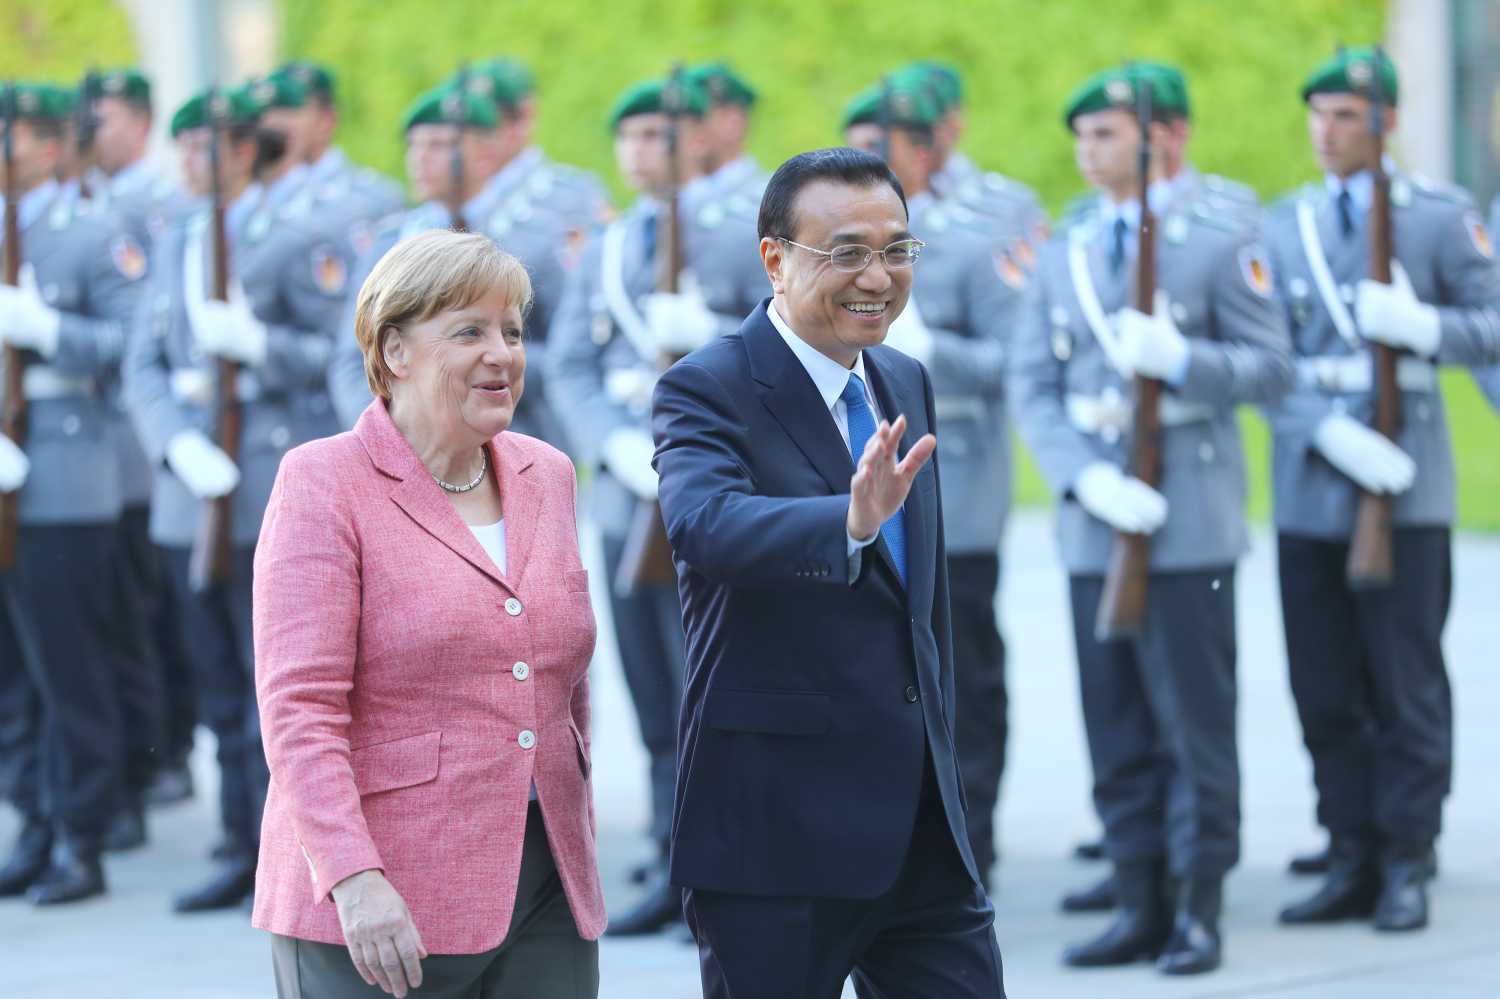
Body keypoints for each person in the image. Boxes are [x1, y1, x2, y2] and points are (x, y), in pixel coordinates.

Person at [652, 146, 1005, 997]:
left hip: (919, 834)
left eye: (896, 250)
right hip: (776, 833)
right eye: (846, 252)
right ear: (775, 257)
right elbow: (704, 526)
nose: (877, 277)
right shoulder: (708, 386)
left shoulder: (900, 378)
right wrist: (845, 522)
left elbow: (921, 613)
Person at [252, 230, 602, 999]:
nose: (502, 354)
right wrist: (352, 876)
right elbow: (299, 711)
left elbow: (564, 674)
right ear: (396, 351)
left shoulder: (547, 472)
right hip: (379, 897)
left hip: (545, 879)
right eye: (469, 331)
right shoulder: (322, 482)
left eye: (512, 331)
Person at [1010, 64, 1293, 975]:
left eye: (1105, 134)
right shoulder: (1071, 245)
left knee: (1193, 721)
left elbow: (1269, 367)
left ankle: (1198, 904)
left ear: (1163, 135)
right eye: (1082, 136)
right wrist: (1083, 480)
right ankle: (1137, 896)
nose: (1088, 152)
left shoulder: (1219, 237)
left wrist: (1184, 361)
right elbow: (1034, 384)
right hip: (1101, 518)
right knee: (1115, 718)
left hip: (1189, 515)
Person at [1262, 46, 1500, 933]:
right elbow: (1267, 357)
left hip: (1408, 487)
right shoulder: (1284, 225)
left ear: (1387, 123)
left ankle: (1407, 854)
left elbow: (1491, 326)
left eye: (1345, 117)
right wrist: (1322, 430)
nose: (1326, 133)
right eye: (1317, 116)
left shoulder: (1439, 218)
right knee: (1323, 684)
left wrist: (1425, 325)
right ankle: (1349, 846)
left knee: (1405, 684)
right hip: (1312, 479)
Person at [121, 84, 350, 912]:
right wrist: (174, 441)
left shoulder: (297, 232)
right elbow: (142, 360)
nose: (192, 163)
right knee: (218, 678)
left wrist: (259, 346)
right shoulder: (175, 238)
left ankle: (289, 844)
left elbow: (338, 349)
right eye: (183, 149)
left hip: (264, 475)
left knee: (277, 686)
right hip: (198, 487)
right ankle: (235, 836)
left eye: (208, 148)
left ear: (250, 152)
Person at [547, 73, 765, 937]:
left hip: (713, 495)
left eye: (660, 137)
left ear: (704, 138)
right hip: (629, 500)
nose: (644, 154)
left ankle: (730, 865)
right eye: (631, 139)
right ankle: (677, 856)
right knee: (651, 692)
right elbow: (568, 363)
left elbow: (786, 346)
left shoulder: (754, 227)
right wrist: (615, 447)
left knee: (714, 690)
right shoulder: (608, 244)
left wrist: (710, 328)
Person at [842, 76, 1020, 890]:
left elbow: (1018, 356)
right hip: (867, 487)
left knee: (965, 668)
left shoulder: (977, 227)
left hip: (958, 478)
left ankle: (969, 836)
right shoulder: (832, 233)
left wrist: (935, 349)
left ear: (925, 149)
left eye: (881, 151)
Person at [0, 80, 149, 904]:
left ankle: (81, 834)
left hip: (61, 466)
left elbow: (133, 339)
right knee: (11, 673)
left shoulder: (91, 229)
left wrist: (47, 331)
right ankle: (32, 819)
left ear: (53, 145)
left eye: (11, 137)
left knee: (67, 666)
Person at [327, 74, 590, 449]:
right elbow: (354, 359)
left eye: (438, 146)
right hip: (408, 448)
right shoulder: (392, 243)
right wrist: (388, 437)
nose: (420, 159)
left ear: (485, 154)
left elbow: (564, 352)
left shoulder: (530, 240)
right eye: (414, 146)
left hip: (514, 438)